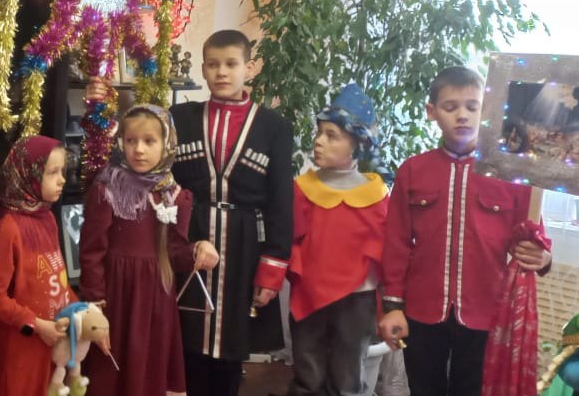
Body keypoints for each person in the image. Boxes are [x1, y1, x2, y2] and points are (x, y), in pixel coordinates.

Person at [91, 30, 294, 396]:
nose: (222, 72)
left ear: (249, 68)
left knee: (231, 343)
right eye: (213, 64)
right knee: (183, 336)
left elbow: (281, 202)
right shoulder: (180, 118)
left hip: (243, 245)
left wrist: (272, 268)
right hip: (185, 233)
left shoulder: (274, 127)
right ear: (202, 69)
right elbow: (150, 166)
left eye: (231, 64)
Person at [378, 66, 552, 396]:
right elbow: (396, 242)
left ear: (486, 111)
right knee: (424, 388)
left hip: (486, 310)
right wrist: (392, 306)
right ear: (432, 112)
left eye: (472, 107)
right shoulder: (413, 170)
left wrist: (543, 257)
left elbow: (534, 239)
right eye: (450, 106)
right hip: (422, 310)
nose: (462, 115)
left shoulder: (509, 173)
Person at [80, 104, 219, 396]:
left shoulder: (174, 195)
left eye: (149, 141)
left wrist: (197, 249)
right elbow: (92, 251)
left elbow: (175, 252)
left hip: (155, 299)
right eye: (131, 140)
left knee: (147, 370)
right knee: (111, 371)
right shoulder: (107, 189)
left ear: (167, 143)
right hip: (117, 298)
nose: (139, 150)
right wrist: (95, 305)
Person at [287, 84, 389, 396]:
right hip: (310, 295)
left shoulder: (376, 196)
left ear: (357, 145)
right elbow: (289, 241)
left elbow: (389, 253)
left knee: (348, 380)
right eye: (319, 133)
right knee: (307, 378)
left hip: (357, 302)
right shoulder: (302, 189)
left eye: (332, 135)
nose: (319, 141)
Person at [0, 135, 78, 396]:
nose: (62, 180)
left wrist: (80, 310)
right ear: (28, 175)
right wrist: (35, 325)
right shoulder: (9, 228)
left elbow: (59, 280)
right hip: (23, 351)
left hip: (54, 346)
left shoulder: (48, 219)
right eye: (53, 172)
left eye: (63, 171)